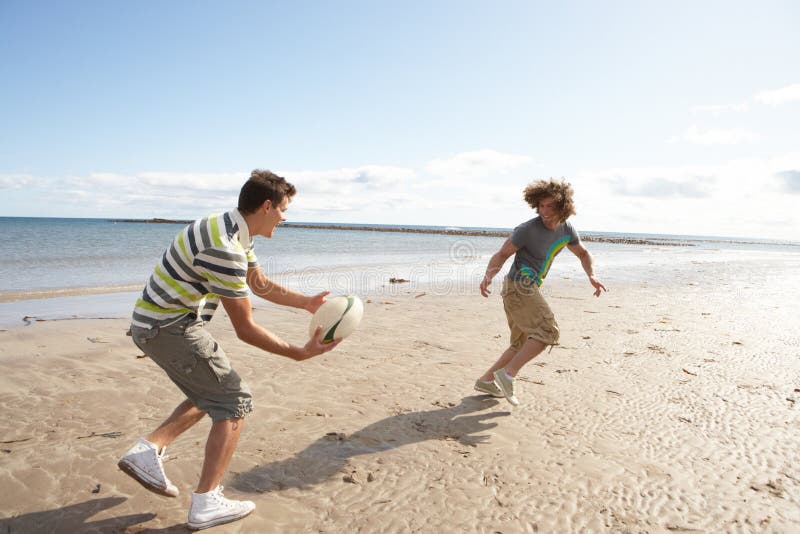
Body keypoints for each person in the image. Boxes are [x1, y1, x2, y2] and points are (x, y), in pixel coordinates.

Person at [117, 169, 341, 530]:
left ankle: (149, 450)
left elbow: (259, 283)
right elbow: (246, 329)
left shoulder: (231, 227)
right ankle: (205, 502)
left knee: (212, 392)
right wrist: (300, 353)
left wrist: (306, 304)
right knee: (233, 399)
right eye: (284, 210)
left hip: (157, 322)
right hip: (168, 328)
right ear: (267, 206)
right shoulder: (226, 249)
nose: (285, 218)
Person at [475, 178, 606, 406]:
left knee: (521, 343)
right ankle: (508, 375)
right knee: (548, 332)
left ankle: (487, 381)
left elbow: (583, 254)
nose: (544, 211)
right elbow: (502, 254)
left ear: (563, 207)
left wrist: (591, 275)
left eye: (550, 206)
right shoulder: (527, 229)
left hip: (525, 289)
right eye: (541, 206)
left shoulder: (567, 230)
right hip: (518, 287)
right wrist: (488, 277)